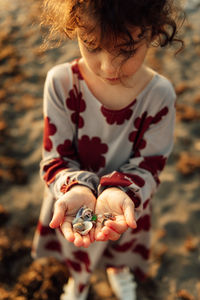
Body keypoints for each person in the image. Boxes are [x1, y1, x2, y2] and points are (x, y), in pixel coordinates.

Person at [32, 1, 183, 299]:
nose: (107, 67)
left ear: (153, 31)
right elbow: (55, 160)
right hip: (72, 197)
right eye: (92, 45)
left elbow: (149, 166)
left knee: (118, 239)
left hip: (126, 203)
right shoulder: (61, 83)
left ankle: (118, 270)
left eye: (126, 50)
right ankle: (78, 281)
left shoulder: (159, 95)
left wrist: (120, 192)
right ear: (75, 29)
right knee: (79, 247)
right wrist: (76, 188)